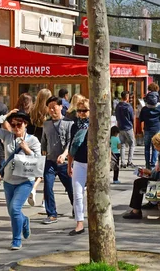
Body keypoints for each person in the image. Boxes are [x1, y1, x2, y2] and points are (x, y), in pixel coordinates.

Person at [0, 109, 41, 250]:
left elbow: (39, 161)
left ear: (26, 124)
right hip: (9, 181)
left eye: (19, 124)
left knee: (15, 209)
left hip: (25, 181)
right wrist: (6, 115)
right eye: (13, 124)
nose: (16, 127)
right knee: (12, 212)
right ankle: (24, 221)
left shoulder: (33, 140)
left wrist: (27, 149)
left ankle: (16, 240)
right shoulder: (7, 136)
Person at [123, 132, 160, 219]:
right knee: (140, 182)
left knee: (138, 183)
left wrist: (151, 174)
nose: (155, 148)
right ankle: (139, 208)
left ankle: (136, 211)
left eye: (155, 145)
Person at [42, 96, 74, 224]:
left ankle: (77, 208)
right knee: (48, 186)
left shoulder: (69, 123)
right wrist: (43, 150)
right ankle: (51, 214)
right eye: (49, 108)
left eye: (54, 107)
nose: (52, 110)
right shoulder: (46, 124)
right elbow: (44, 141)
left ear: (61, 107)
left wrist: (64, 154)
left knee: (70, 187)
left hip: (64, 163)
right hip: (50, 160)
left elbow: (70, 142)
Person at [67, 98, 90, 235]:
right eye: (79, 111)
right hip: (79, 163)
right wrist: (69, 164)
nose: (81, 113)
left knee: (95, 194)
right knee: (77, 194)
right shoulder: (75, 126)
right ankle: (79, 223)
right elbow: (72, 146)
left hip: (94, 164)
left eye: (84, 111)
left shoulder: (96, 125)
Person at [27, 88, 51, 206]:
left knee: (34, 170)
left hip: (33, 143)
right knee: (46, 173)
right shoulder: (49, 112)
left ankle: (32, 188)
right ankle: (43, 198)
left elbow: (28, 129)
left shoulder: (32, 111)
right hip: (46, 144)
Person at [139, 95, 160, 169]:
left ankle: (147, 164)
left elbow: (141, 119)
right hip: (156, 129)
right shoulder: (159, 108)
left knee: (147, 147)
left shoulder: (144, 109)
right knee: (155, 147)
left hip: (147, 129)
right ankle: (153, 164)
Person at [115, 91, 136, 168]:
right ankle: (129, 161)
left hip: (120, 127)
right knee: (132, 144)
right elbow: (132, 118)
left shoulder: (118, 106)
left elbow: (116, 116)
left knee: (122, 145)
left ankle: (122, 162)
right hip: (128, 127)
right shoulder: (129, 107)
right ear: (127, 97)